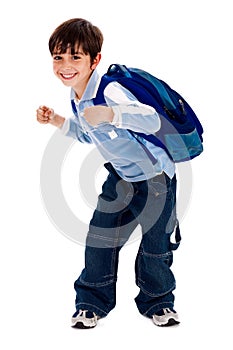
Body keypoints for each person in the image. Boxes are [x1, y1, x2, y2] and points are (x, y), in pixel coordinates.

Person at [37, 18, 181, 328]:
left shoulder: (110, 90)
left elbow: (152, 120)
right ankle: (91, 303)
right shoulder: (77, 96)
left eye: (76, 57)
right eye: (58, 57)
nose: (65, 64)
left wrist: (112, 113)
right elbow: (91, 135)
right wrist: (58, 121)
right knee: (100, 239)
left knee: (155, 245)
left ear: (95, 59)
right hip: (120, 177)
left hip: (156, 178)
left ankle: (159, 303)